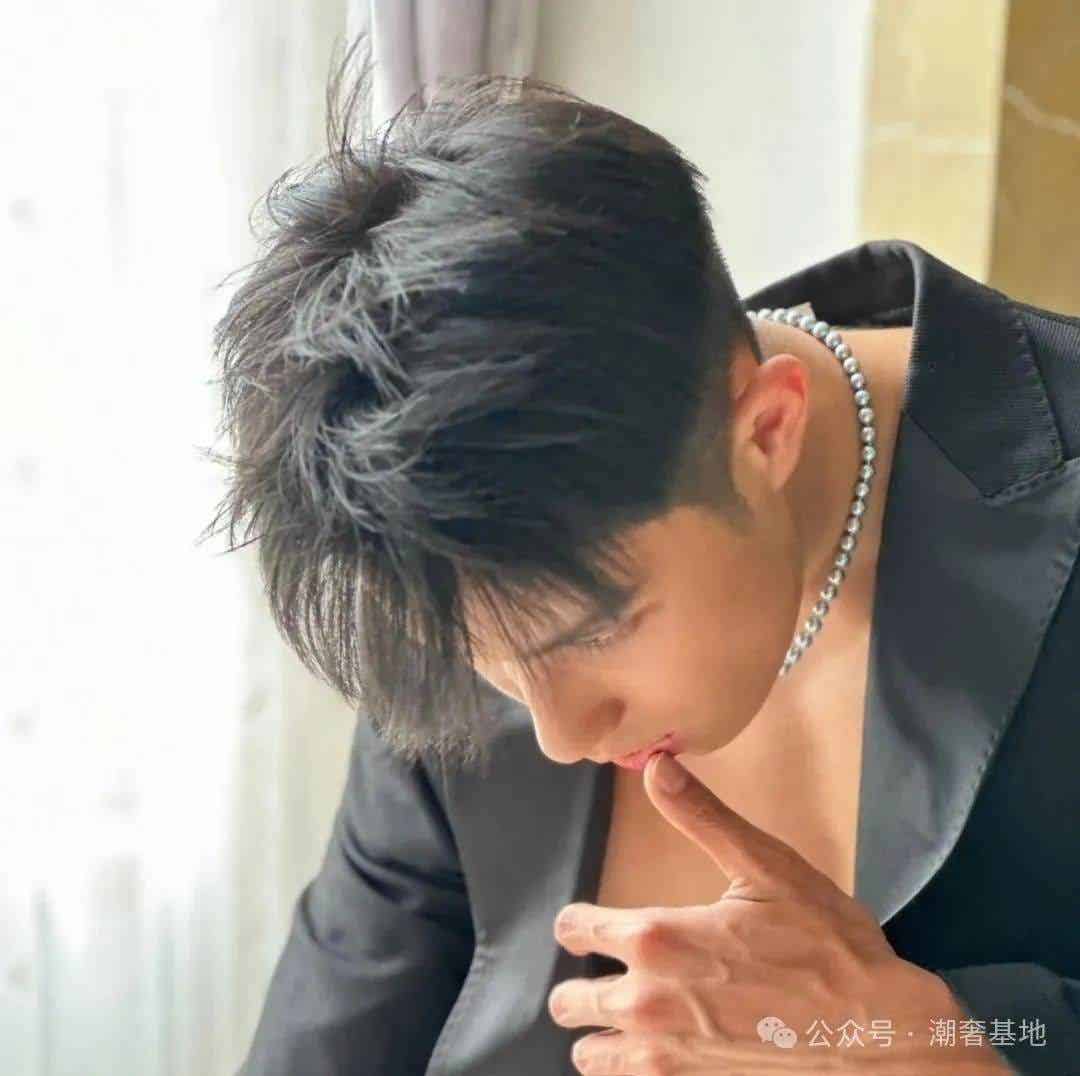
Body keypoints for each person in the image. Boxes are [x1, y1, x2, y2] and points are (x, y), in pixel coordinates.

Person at [204, 32, 1080, 1076]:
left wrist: (942, 1046)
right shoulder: (457, 529)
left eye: (595, 629)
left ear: (767, 432)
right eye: (487, 657)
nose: (558, 732)